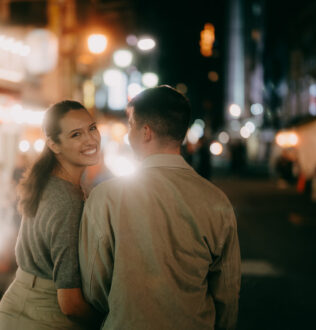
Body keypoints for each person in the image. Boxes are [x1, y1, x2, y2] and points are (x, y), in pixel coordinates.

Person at [79, 86, 241, 329]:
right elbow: (227, 292)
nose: (128, 134)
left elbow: (94, 288)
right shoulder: (216, 200)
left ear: (146, 132)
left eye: (131, 125)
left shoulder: (106, 197)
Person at [0, 101, 102, 330]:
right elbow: (70, 304)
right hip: (44, 316)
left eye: (92, 128)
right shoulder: (67, 200)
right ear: (54, 145)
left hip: (18, 305)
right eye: (76, 135)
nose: (90, 139)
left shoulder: (48, 181)